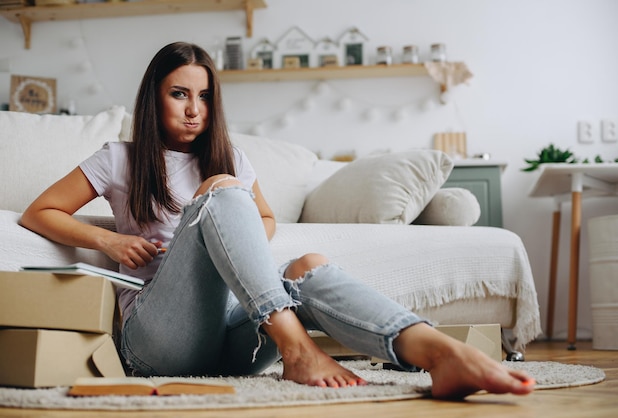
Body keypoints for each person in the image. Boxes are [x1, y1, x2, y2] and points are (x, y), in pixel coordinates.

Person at [20, 41, 535, 399]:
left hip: (234, 342)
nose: (194, 109)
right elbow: (39, 212)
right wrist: (107, 242)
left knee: (306, 262)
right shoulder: (120, 158)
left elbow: (263, 218)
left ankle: (435, 352)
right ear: (154, 96)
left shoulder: (230, 157)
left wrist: (218, 231)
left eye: (204, 96)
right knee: (221, 194)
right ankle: (299, 349)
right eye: (180, 94)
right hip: (158, 341)